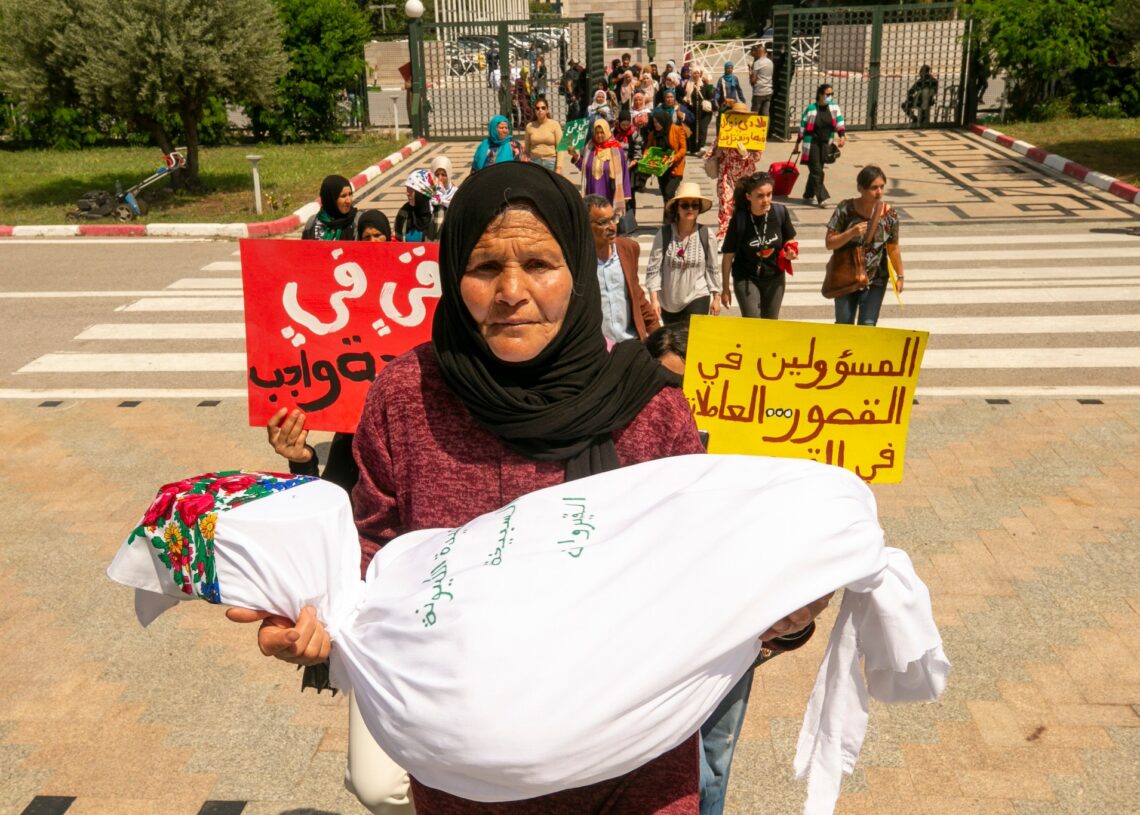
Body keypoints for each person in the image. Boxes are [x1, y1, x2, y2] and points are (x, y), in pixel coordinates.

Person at [234, 162, 832, 815]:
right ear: (453, 271)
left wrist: (786, 614)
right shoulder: (406, 402)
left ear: (576, 268)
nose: (512, 290)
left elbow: (709, 581)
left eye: (541, 264)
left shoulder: (649, 411)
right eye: (486, 267)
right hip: (466, 785)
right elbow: (366, 563)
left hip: (637, 781)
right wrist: (309, 614)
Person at [824, 164, 903, 326]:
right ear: (860, 188)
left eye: (882, 187)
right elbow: (829, 243)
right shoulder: (845, 208)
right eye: (874, 188)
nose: (879, 192)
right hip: (846, 275)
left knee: (868, 324)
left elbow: (893, 247)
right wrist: (851, 232)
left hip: (876, 279)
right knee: (844, 323)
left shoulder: (890, 214)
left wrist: (900, 275)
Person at [721, 172, 798, 320]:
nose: (766, 200)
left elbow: (790, 240)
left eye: (769, 194)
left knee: (770, 322)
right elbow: (728, 255)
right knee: (752, 322)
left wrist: (791, 251)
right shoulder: (740, 218)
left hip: (774, 276)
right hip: (746, 277)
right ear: (749, 197)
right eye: (760, 196)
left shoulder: (780, 212)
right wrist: (725, 289)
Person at [585, 193, 659, 342]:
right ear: (586, 225)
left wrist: (657, 333)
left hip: (630, 342)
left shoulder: (628, 249)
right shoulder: (577, 259)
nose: (612, 227)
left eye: (613, 219)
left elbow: (636, 295)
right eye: (603, 222)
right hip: (597, 349)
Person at [645, 181, 720, 327]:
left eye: (695, 205)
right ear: (677, 208)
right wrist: (654, 299)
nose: (690, 209)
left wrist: (716, 297)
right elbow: (653, 269)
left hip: (698, 295)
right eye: (685, 205)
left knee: (690, 339)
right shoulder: (664, 234)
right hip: (669, 301)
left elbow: (712, 268)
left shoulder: (706, 234)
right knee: (674, 342)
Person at [710, 101, 763, 240]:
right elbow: (710, 153)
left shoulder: (753, 132)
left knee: (745, 205)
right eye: (736, 115)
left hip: (745, 176)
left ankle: (745, 234)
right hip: (726, 175)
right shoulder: (725, 132)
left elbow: (757, 157)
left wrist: (746, 154)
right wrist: (719, 150)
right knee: (725, 204)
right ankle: (724, 236)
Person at [569, 119, 630, 219]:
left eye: (602, 132)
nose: (599, 135)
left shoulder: (617, 150)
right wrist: (575, 156)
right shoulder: (589, 147)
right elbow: (585, 169)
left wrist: (626, 194)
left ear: (607, 131)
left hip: (608, 194)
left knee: (607, 221)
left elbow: (624, 173)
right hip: (592, 192)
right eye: (597, 133)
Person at [798, 83, 846, 207]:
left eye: (831, 94)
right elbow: (802, 126)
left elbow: (839, 122)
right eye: (827, 94)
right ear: (820, 95)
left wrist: (842, 136)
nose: (830, 97)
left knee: (816, 169)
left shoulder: (834, 107)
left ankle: (808, 194)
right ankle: (822, 197)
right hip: (812, 143)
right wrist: (797, 143)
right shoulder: (811, 109)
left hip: (826, 144)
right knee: (817, 171)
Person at [647, 108, 687, 213]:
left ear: (663, 121)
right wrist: (646, 157)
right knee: (665, 194)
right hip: (661, 168)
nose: (655, 125)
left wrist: (675, 157)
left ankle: (673, 217)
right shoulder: (653, 134)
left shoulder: (677, 130)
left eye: (658, 122)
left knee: (669, 193)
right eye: (654, 122)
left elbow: (683, 149)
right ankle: (669, 219)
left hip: (675, 167)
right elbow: (648, 148)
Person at [301, 175, 358, 240]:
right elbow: (304, 248)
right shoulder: (312, 223)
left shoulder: (357, 222)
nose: (349, 201)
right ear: (330, 199)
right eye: (343, 196)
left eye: (350, 194)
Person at [394, 169, 440, 242]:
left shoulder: (440, 214)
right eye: (407, 188)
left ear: (423, 192)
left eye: (411, 189)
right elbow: (398, 242)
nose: (407, 193)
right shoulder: (404, 212)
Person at [524, 96, 564, 174]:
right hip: (534, 162)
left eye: (543, 108)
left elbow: (560, 148)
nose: (540, 110)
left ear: (547, 110)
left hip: (551, 163)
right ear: (535, 111)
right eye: (537, 108)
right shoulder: (529, 126)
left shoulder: (555, 125)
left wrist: (559, 167)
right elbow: (526, 149)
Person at [683, 67, 716, 152]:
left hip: (704, 112)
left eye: (697, 73)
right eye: (694, 73)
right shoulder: (688, 85)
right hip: (692, 111)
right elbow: (684, 97)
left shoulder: (704, 84)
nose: (696, 75)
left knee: (702, 128)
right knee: (693, 129)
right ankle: (693, 148)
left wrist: (709, 86)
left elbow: (710, 95)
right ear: (692, 74)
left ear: (700, 74)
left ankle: (701, 146)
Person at [748, 42, 774, 117]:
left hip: (759, 92)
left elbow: (753, 80)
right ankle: (766, 128)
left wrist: (750, 74)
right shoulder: (770, 62)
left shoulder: (758, 63)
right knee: (765, 115)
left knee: (754, 115)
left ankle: (755, 129)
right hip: (768, 92)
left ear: (759, 52)